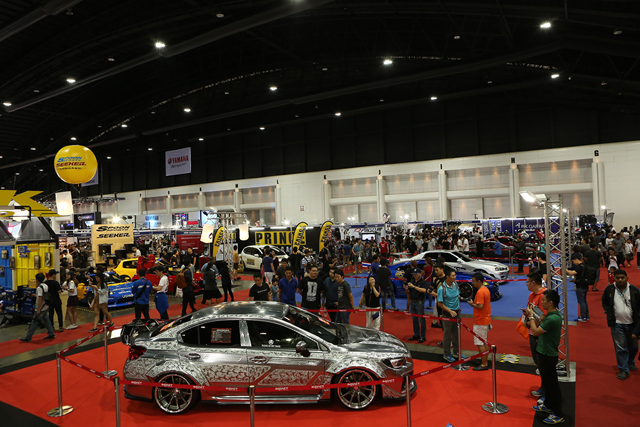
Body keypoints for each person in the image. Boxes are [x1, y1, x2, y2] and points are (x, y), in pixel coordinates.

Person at [527, 289, 565, 425]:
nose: (541, 302)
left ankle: (558, 413)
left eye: (543, 300)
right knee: (547, 382)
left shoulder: (552, 318)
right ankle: (548, 405)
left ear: (550, 302)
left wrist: (532, 317)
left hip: (548, 354)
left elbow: (535, 332)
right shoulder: (550, 316)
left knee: (552, 385)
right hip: (544, 352)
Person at [602, 269, 640, 380]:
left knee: (634, 347)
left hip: (633, 324)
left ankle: (630, 361)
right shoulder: (609, 289)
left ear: (627, 278)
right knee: (621, 348)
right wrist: (608, 312)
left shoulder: (634, 290)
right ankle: (623, 369)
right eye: (617, 278)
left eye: (622, 278)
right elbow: (604, 301)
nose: (620, 280)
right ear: (614, 278)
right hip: (617, 324)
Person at [525, 271, 548, 399]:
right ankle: (543, 387)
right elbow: (530, 311)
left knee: (543, 364)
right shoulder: (531, 295)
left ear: (533, 283)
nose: (526, 285)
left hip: (539, 333)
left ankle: (546, 391)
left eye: (527, 282)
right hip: (532, 331)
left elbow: (544, 316)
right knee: (538, 362)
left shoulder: (543, 295)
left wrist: (531, 320)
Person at [20, 273, 56, 341]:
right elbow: (42, 295)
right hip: (45, 306)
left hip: (40, 307)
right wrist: (33, 295)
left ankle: (28, 337)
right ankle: (51, 333)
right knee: (46, 320)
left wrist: (38, 309)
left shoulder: (39, 288)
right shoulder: (45, 285)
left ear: (37, 280)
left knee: (35, 322)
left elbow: (40, 298)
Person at [468, 273, 491, 370]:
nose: (472, 283)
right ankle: (484, 359)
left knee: (480, 343)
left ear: (479, 281)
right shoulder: (486, 289)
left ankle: (484, 364)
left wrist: (472, 304)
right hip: (486, 319)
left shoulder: (480, 292)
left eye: (474, 281)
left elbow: (480, 306)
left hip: (480, 320)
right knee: (484, 342)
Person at [438, 269, 461, 362]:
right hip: (447, 315)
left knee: (457, 335)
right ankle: (446, 354)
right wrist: (449, 310)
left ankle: (457, 352)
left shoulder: (455, 284)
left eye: (455, 275)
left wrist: (459, 308)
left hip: (457, 314)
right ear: (447, 277)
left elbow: (457, 297)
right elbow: (440, 303)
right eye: (453, 276)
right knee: (447, 336)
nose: (455, 277)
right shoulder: (442, 289)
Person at [405, 268, 427, 343]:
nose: (415, 275)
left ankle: (423, 336)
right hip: (412, 301)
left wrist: (414, 287)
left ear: (420, 274)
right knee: (414, 319)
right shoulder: (412, 281)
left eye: (416, 274)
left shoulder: (423, 282)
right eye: (414, 274)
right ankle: (416, 334)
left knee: (421, 320)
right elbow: (408, 292)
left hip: (419, 302)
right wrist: (407, 288)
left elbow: (424, 290)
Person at [567, 253, 589, 322]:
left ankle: (583, 316)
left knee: (581, 302)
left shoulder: (580, 267)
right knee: (584, 301)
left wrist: (565, 270)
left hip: (580, 286)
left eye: (573, 261)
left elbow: (572, 273)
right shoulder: (584, 266)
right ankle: (586, 315)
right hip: (585, 285)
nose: (573, 263)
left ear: (576, 259)